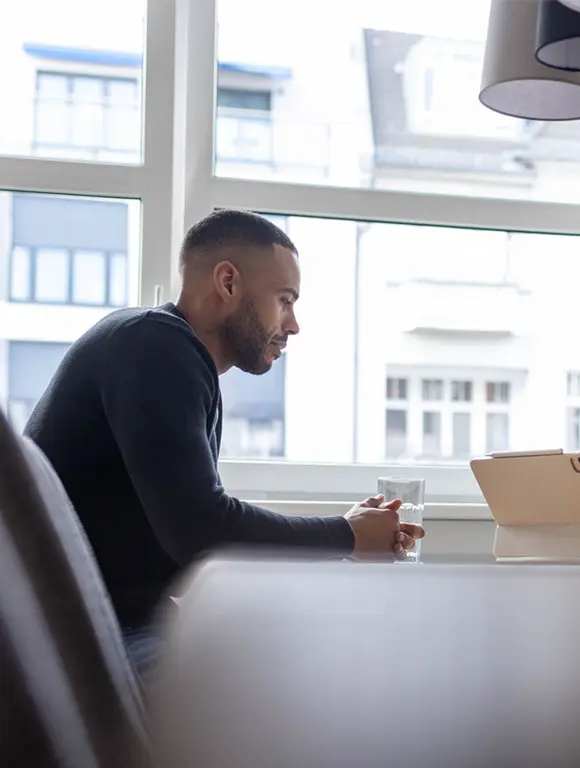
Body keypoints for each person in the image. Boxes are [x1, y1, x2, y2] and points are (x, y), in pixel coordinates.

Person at [25, 209, 424, 676]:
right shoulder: (156, 348)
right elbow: (201, 530)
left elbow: (189, 535)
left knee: (303, 647)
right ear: (228, 282)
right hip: (83, 637)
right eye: (285, 300)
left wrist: (343, 538)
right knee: (296, 676)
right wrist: (346, 534)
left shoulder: (162, 352)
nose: (293, 324)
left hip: (107, 623)